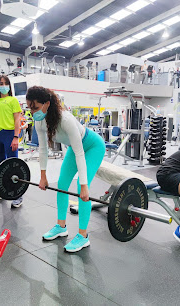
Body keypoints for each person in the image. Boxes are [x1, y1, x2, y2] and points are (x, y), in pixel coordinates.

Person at [26, 86, 106, 253]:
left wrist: (84, 186)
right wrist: (43, 176)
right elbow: (43, 149)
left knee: (80, 189)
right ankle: (61, 226)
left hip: (92, 147)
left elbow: (79, 153)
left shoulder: (65, 119)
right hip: (74, 149)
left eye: (35, 107)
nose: (32, 112)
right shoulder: (39, 120)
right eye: (29, 108)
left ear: (47, 104)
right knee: (62, 184)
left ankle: (83, 237)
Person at [0, 75, 23, 208]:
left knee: (14, 165)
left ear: (9, 86)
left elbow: (17, 119)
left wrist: (16, 137)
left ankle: (18, 195)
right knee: (1, 166)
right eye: (1, 83)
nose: (3, 86)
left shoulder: (13, 100)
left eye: (5, 83)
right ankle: (2, 192)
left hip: (9, 134)